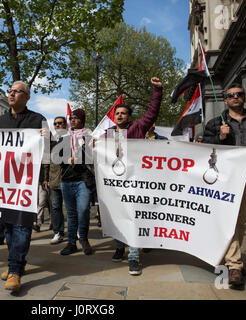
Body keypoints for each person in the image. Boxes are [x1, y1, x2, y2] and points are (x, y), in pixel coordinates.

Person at [202, 82, 246, 289]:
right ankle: (235, 265)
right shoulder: (216, 123)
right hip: (224, 178)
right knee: (229, 220)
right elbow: (206, 146)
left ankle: (232, 259)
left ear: (244, 97)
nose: (235, 97)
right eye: (231, 95)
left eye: (239, 94)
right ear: (226, 99)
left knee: (239, 220)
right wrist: (221, 137)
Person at [105, 77, 163, 275]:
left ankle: (133, 257)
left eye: (123, 113)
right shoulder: (106, 134)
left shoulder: (138, 128)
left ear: (129, 117)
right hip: (114, 184)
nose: (119, 116)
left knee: (133, 218)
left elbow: (152, 112)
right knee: (117, 217)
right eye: (117, 113)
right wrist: (93, 146)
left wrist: (157, 91)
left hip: (134, 182)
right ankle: (120, 247)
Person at [0, 80, 47, 293]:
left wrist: (47, 138)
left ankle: (15, 270)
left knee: (22, 225)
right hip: (4, 181)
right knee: (7, 225)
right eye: (10, 91)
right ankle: (16, 262)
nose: (12, 94)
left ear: (27, 97)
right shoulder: (0, 120)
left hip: (26, 181)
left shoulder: (38, 120)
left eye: (17, 92)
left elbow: (48, 148)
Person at [58, 109, 95, 256]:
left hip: (83, 180)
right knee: (71, 214)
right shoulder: (64, 138)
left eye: (76, 118)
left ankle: (84, 239)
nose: (72, 120)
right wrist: (67, 159)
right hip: (67, 181)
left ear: (82, 121)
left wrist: (90, 149)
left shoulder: (90, 138)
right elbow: (58, 157)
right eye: (71, 118)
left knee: (83, 210)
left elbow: (94, 158)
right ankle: (71, 243)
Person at [43, 117, 68, 244]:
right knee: (55, 207)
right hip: (53, 180)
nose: (58, 125)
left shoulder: (71, 139)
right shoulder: (50, 142)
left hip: (69, 180)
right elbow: (46, 161)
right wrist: (45, 178)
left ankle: (77, 230)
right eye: (56, 124)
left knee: (71, 208)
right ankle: (58, 232)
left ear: (65, 125)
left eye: (60, 123)